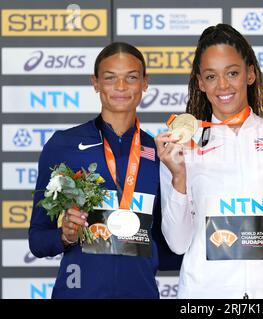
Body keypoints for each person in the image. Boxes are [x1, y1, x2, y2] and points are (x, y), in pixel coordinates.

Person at [29, 42, 181, 298]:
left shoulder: (160, 154)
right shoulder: (63, 145)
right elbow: (37, 239)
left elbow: (170, 245)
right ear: (95, 82)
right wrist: (65, 236)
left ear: (145, 82)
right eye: (110, 78)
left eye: (131, 77)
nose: (121, 87)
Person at [155, 24, 263, 299]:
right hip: (205, 294)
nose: (223, 86)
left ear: (250, 74)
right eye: (211, 76)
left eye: (232, 73)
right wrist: (179, 177)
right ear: (200, 82)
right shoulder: (181, 145)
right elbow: (177, 242)